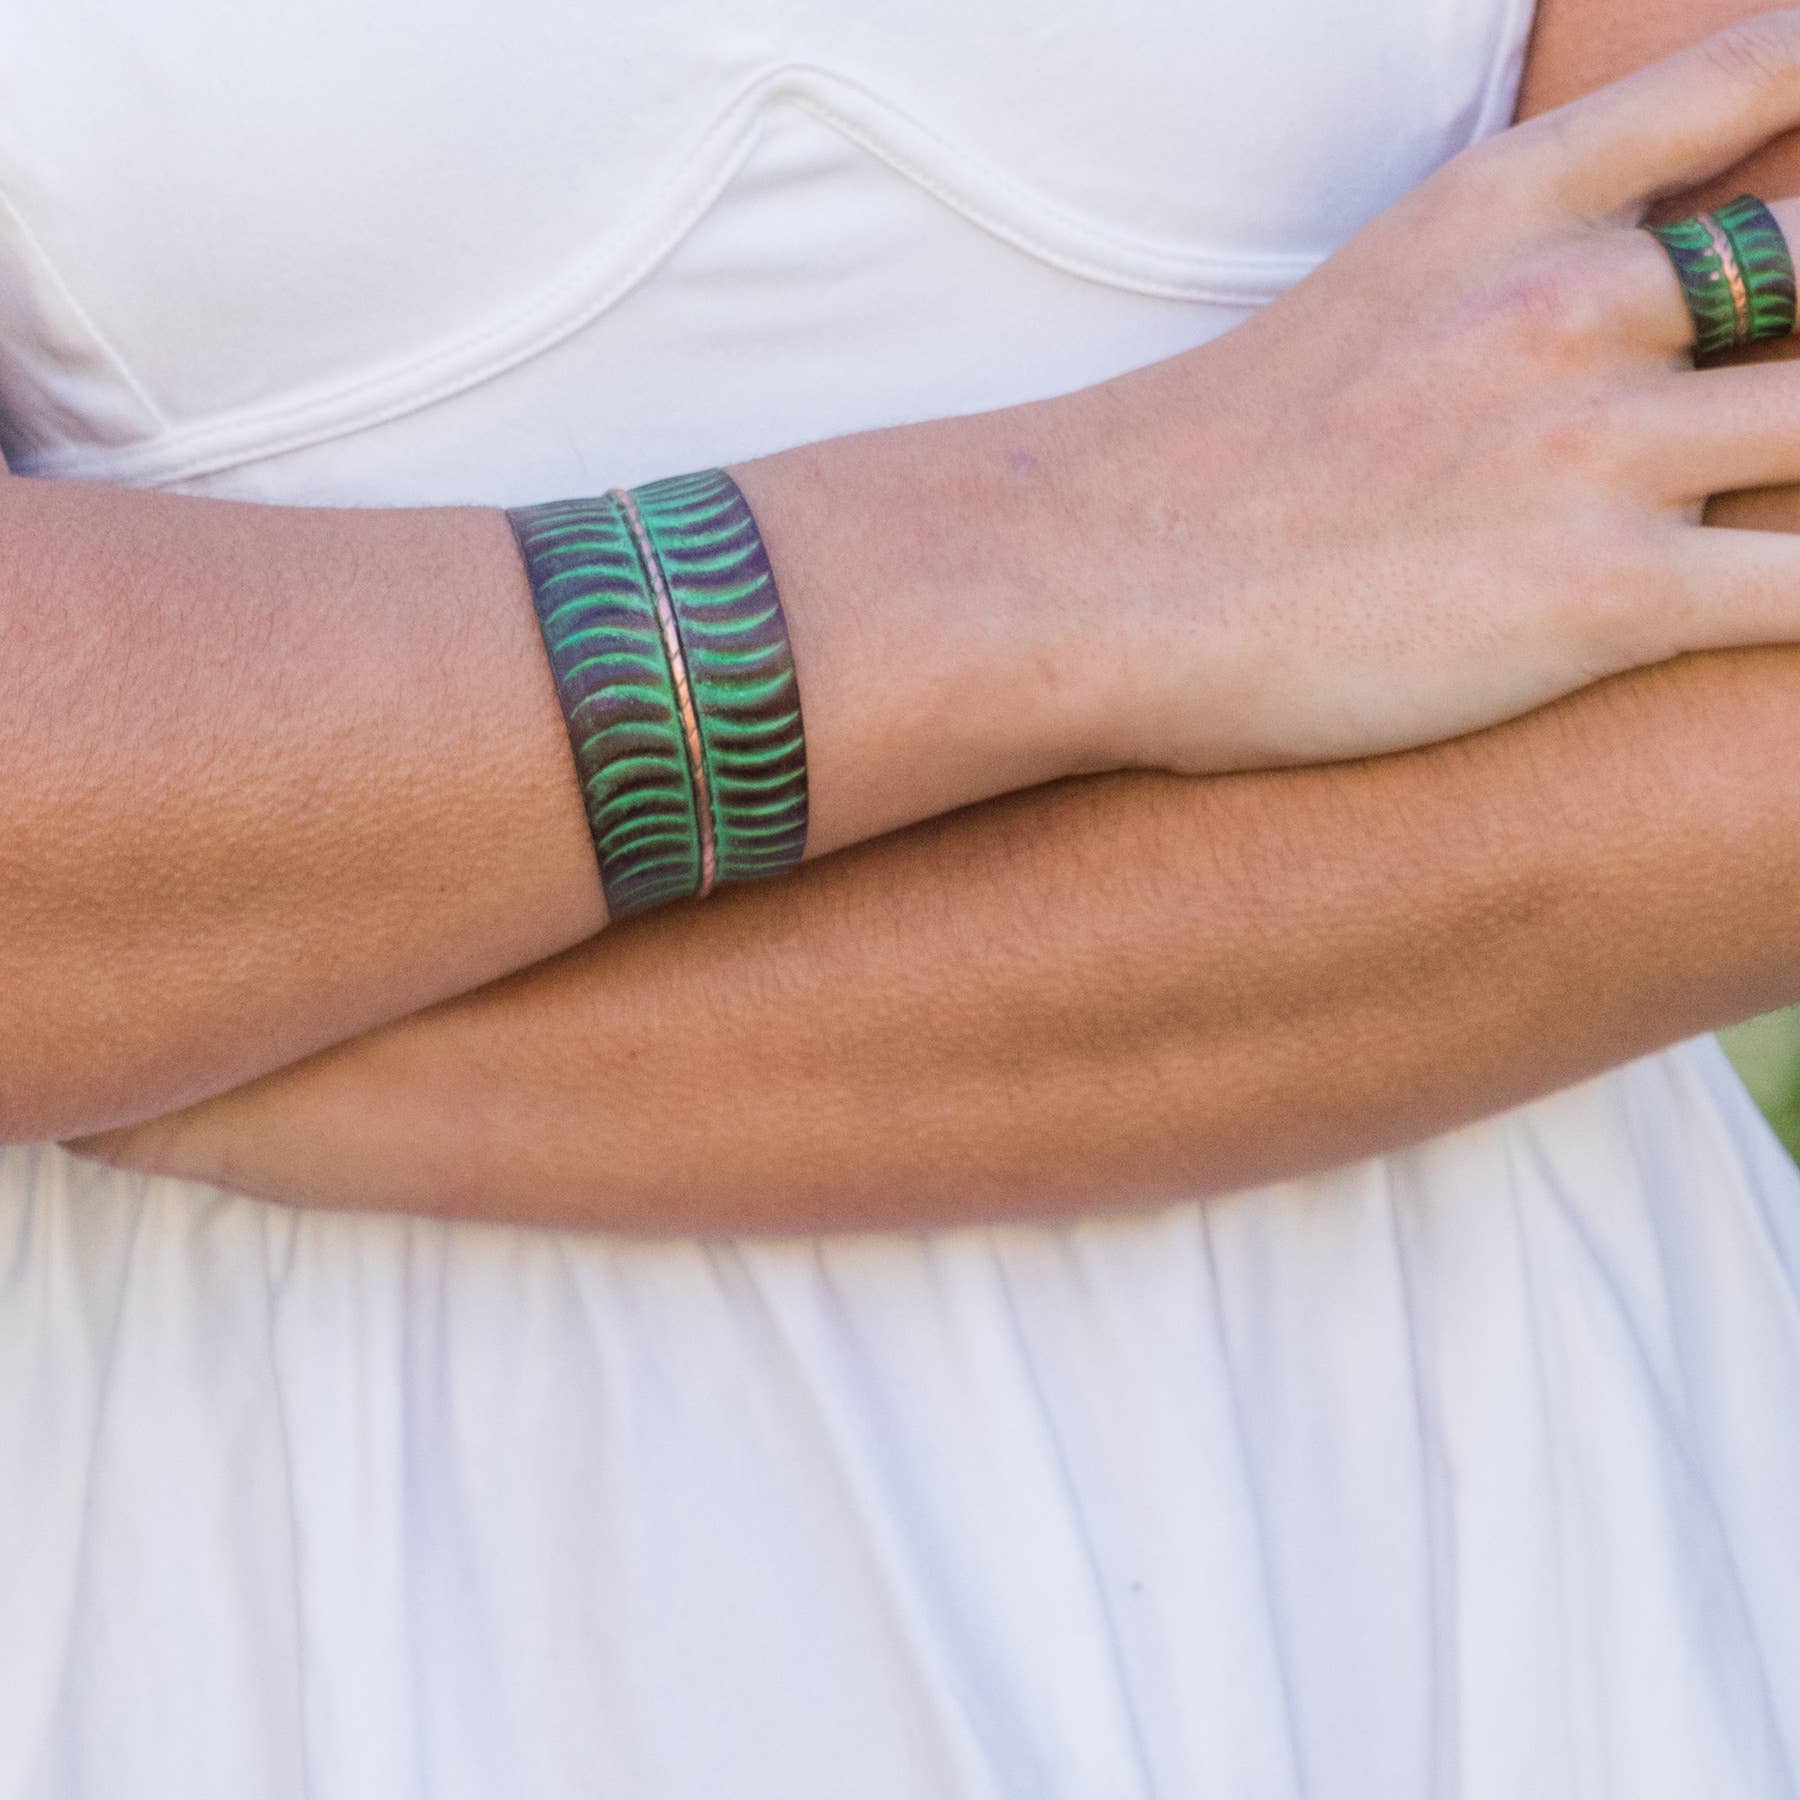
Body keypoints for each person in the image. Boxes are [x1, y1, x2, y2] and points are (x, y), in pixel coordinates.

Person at [4, 0, 1800, 1790]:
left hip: (1459, 1435)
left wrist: (202, 997)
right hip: (270, 1517)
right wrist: (1110, 534)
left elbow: (1753, 729)